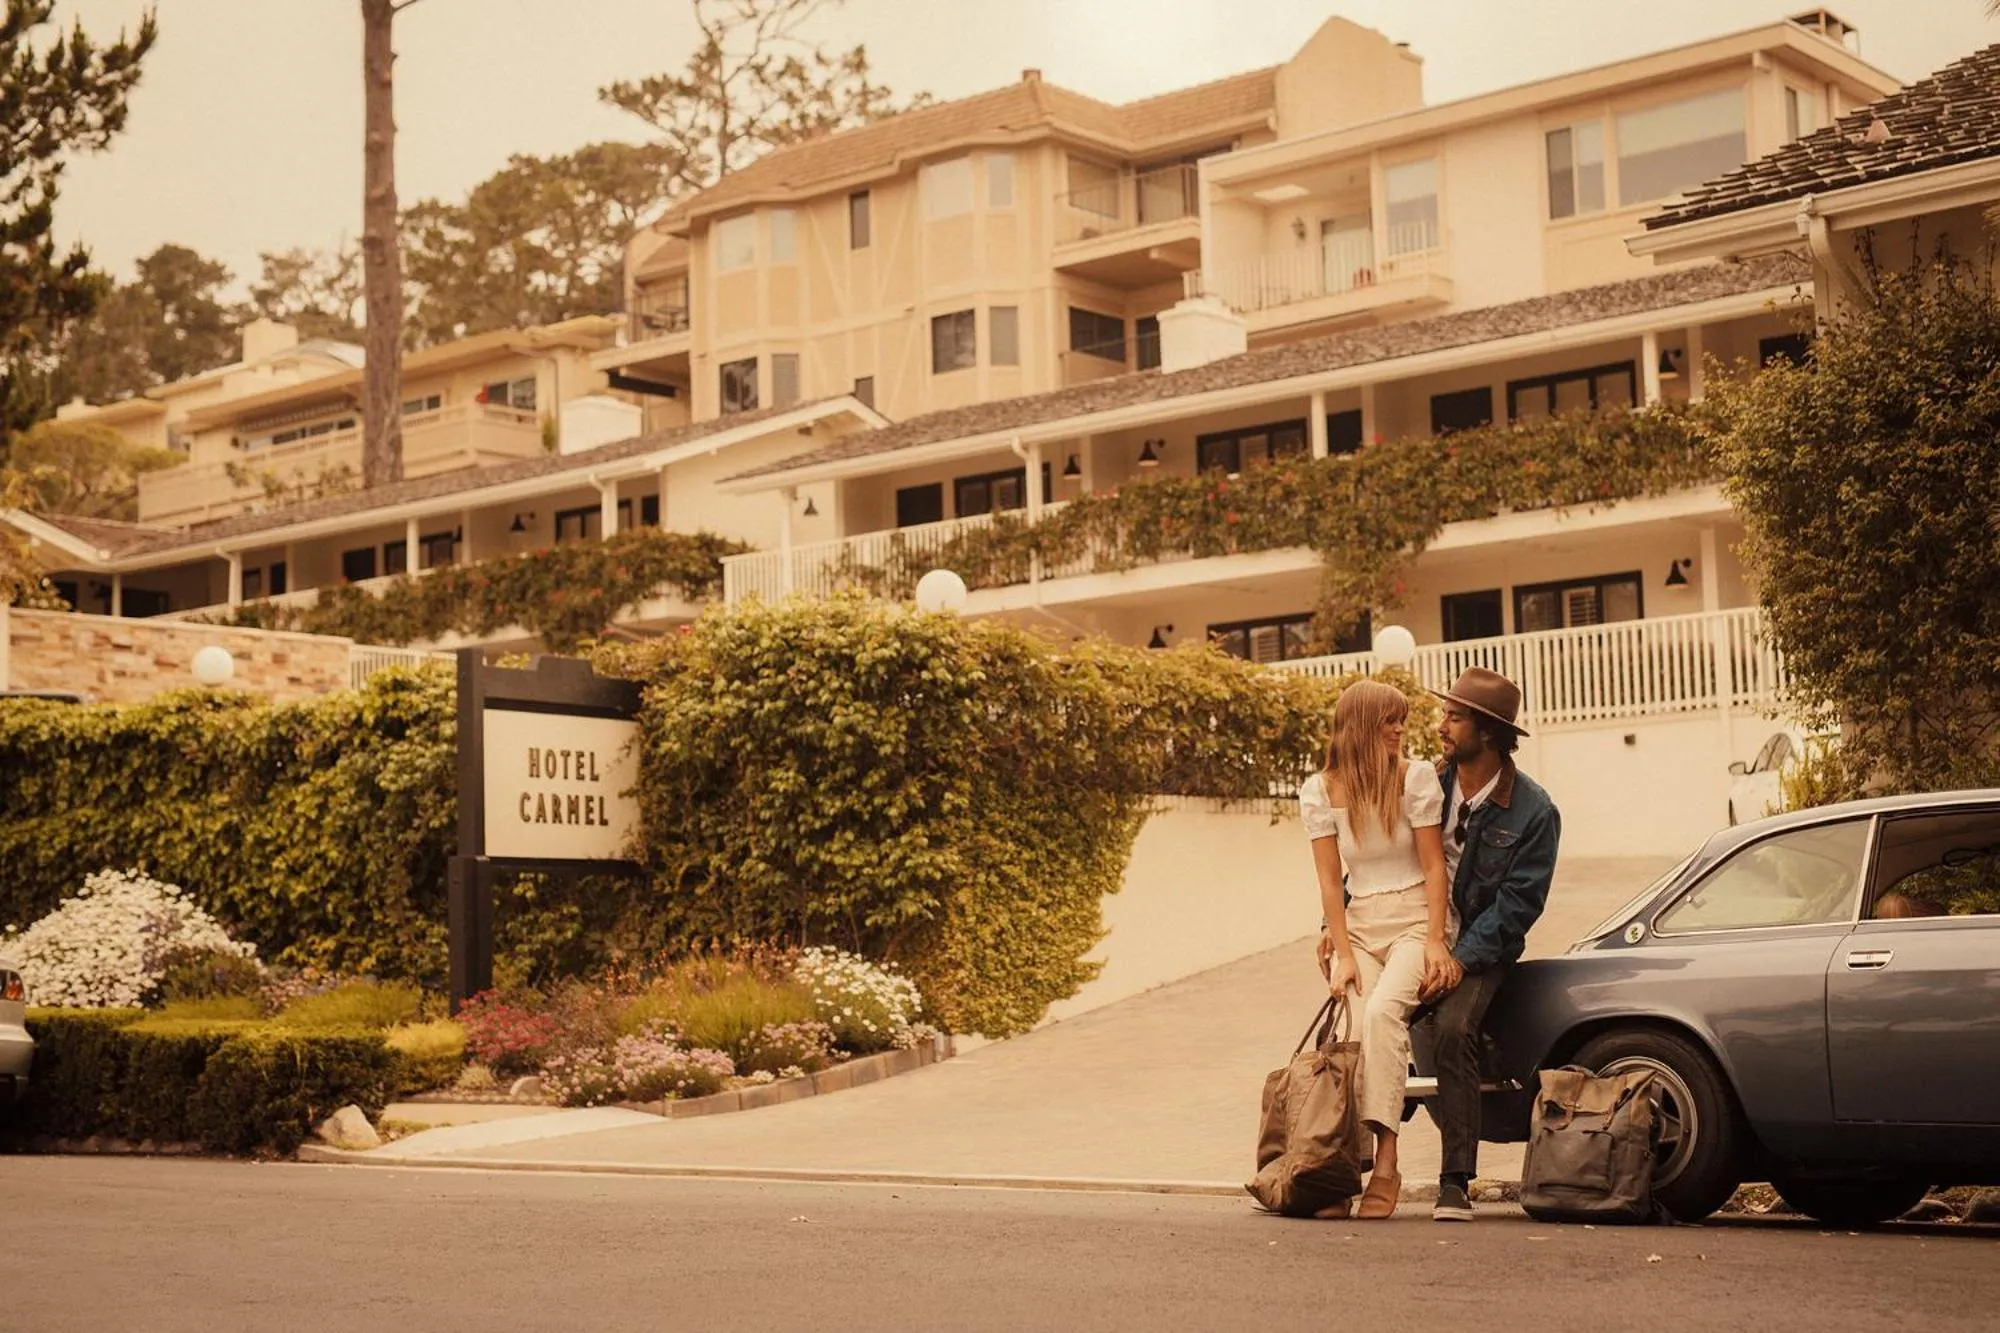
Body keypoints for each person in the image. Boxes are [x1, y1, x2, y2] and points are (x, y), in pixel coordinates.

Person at [1302, 679, 1454, 1221]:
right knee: (1355, 1027)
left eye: (1402, 719)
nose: (1399, 728)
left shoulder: (1415, 779)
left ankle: (1387, 1162)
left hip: (1416, 920)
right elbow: (1328, 882)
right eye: (1390, 720)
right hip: (1361, 926)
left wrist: (1436, 939)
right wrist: (1342, 953)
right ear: (1363, 725)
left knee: (1388, 1013)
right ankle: (1343, 1169)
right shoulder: (1318, 790)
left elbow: (1435, 865)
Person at [1420, 666, 1561, 1223]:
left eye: (1454, 718)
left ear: (1488, 731)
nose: (1441, 726)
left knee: (1455, 1029)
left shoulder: (1535, 811)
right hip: (1420, 935)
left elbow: (1518, 906)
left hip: (1480, 948)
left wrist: (1458, 961)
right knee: (1373, 1016)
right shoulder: (1427, 785)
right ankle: (1353, 1163)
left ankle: (1455, 1180)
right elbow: (1382, 850)